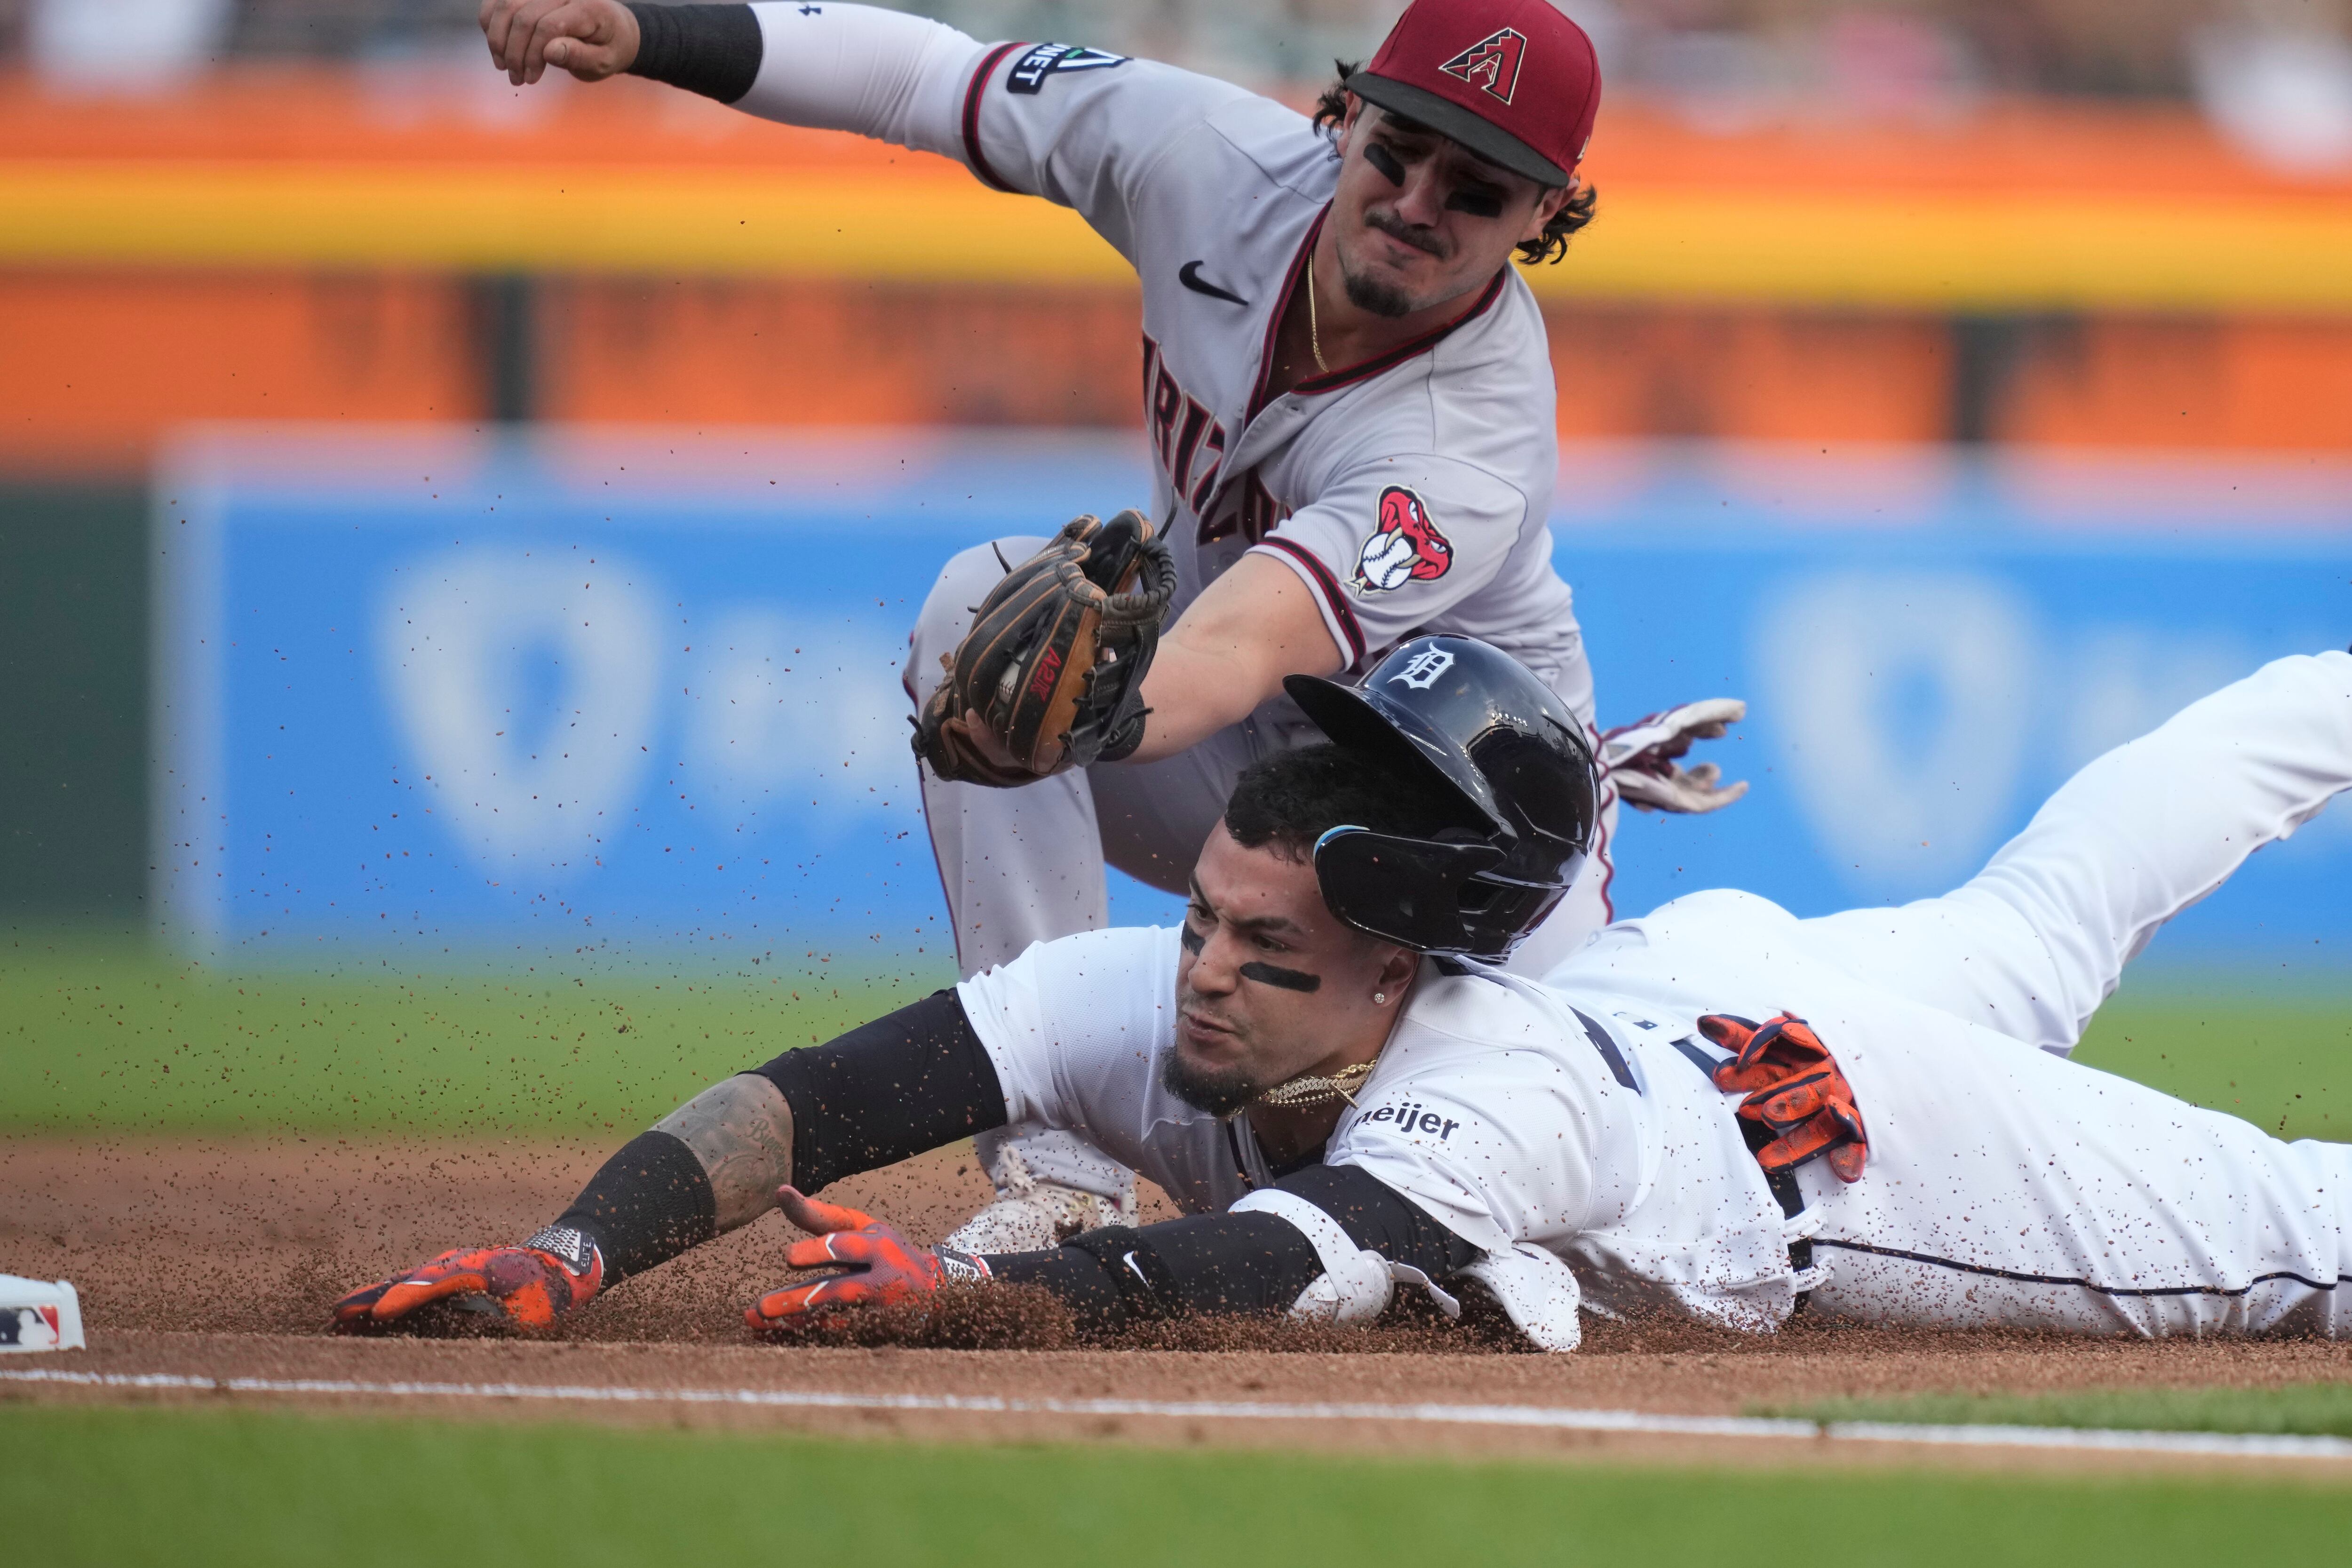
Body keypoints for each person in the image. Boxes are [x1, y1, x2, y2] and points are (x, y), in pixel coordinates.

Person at [472, 0, 1748, 1250]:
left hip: (1474, 861)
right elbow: (928, 78)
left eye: (1475, 189)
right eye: (1398, 149)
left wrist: (1092, 715)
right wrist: (648, 31)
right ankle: (1060, 1175)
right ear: (1345, 115)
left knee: (1550, 1236)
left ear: (1548, 215)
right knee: (983, 610)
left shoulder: (1468, 434)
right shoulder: (1201, 158)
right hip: (1260, 774)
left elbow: (1242, 644)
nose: (1418, 202)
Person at [336, 637, 2352, 1348]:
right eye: (1206, 919)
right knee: (2038, 910)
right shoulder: (1202, 979)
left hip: (1839, 1145)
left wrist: (972, 1296)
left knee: (2307, 1237)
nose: (1200, 976)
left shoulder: (1485, 1092)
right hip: (1706, 983)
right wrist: (576, 1247)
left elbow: (1279, 1266)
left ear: (1397, 978)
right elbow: (830, 1090)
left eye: (1263, 954)